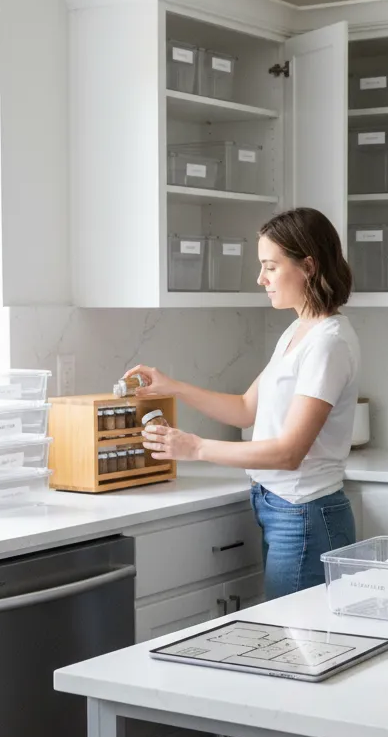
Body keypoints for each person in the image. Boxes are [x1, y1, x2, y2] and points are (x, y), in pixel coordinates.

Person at [128, 207, 361, 600]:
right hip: (281, 508)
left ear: (307, 266)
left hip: (303, 512)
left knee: (292, 648)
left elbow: (289, 453)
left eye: (270, 266)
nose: (260, 279)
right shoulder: (298, 330)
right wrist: (174, 387)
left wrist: (196, 447)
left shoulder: (328, 343)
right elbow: (245, 408)